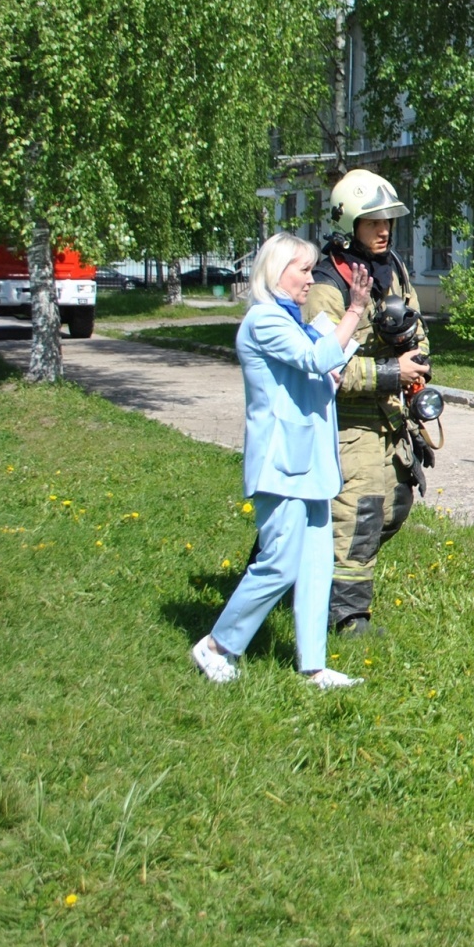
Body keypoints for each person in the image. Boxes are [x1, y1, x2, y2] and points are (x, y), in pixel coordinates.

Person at [191, 231, 371, 688]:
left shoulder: (295, 320)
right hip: (282, 465)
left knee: (316, 567)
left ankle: (314, 665)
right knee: (280, 563)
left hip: (312, 465)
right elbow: (315, 359)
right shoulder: (264, 321)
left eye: (313, 270)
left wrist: (353, 327)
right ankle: (216, 645)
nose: (310, 279)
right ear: (276, 271)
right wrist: (352, 311)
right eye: (303, 270)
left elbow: (328, 366)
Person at [303, 169, 430, 636]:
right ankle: (348, 618)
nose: (384, 230)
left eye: (388, 221)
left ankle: (292, 572)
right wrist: (393, 373)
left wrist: (419, 367)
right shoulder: (326, 286)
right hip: (350, 421)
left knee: (397, 504)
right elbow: (325, 368)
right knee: (359, 514)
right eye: (373, 221)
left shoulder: (391, 267)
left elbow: (416, 326)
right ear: (349, 222)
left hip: (391, 416)